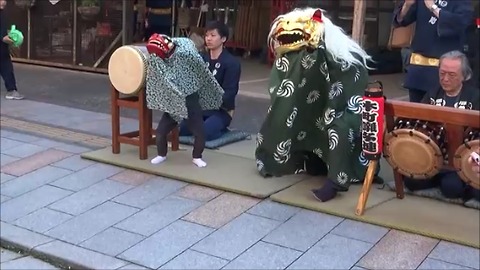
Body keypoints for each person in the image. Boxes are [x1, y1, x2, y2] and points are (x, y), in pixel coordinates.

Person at [403, 50, 480, 202]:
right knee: (411, 181)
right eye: (442, 73)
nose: (445, 79)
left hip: (462, 158)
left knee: (451, 188)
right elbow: (419, 122)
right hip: (433, 155)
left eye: (451, 75)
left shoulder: (475, 96)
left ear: (464, 76)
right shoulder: (432, 93)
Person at [392, 0, 473, 103]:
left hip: (445, 68)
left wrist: (433, 8)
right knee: (416, 111)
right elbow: (400, 20)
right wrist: (407, 4)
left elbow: (462, 22)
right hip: (418, 69)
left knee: (443, 110)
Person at [179, 21, 241, 141]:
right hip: (200, 109)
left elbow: (230, 93)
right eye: (207, 35)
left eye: (213, 35)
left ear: (223, 39)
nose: (208, 39)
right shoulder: (201, 58)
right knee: (181, 130)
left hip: (221, 111)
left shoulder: (232, 63)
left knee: (204, 133)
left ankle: (220, 129)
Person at [0, 0, 24, 100]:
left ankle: (12, 90)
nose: (4, 2)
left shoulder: (2, 13)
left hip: (2, 47)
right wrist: (2, 37)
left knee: (6, 67)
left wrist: (10, 36)